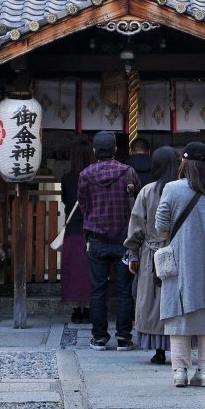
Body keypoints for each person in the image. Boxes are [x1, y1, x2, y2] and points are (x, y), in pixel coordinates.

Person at [154, 141, 205, 388]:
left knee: (178, 317)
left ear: (184, 162)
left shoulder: (172, 189)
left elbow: (161, 225)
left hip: (180, 260)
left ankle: (179, 373)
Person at [78, 130, 142, 350]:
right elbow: (138, 206)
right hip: (125, 241)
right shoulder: (128, 173)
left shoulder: (85, 174)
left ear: (94, 150)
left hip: (96, 239)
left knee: (97, 290)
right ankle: (124, 337)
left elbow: (83, 206)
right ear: (115, 150)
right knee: (125, 290)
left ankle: (99, 337)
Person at [124, 145, 183, 365]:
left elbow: (137, 224)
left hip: (152, 254)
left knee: (152, 303)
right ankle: (180, 345)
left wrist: (133, 253)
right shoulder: (184, 190)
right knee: (177, 301)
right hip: (179, 252)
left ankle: (157, 350)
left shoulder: (148, 191)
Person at [58, 139, 93, 324]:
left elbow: (65, 200)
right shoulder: (94, 178)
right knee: (88, 271)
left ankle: (75, 310)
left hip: (72, 229)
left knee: (72, 271)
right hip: (91, 229)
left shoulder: (67, 179)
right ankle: (87, 308)